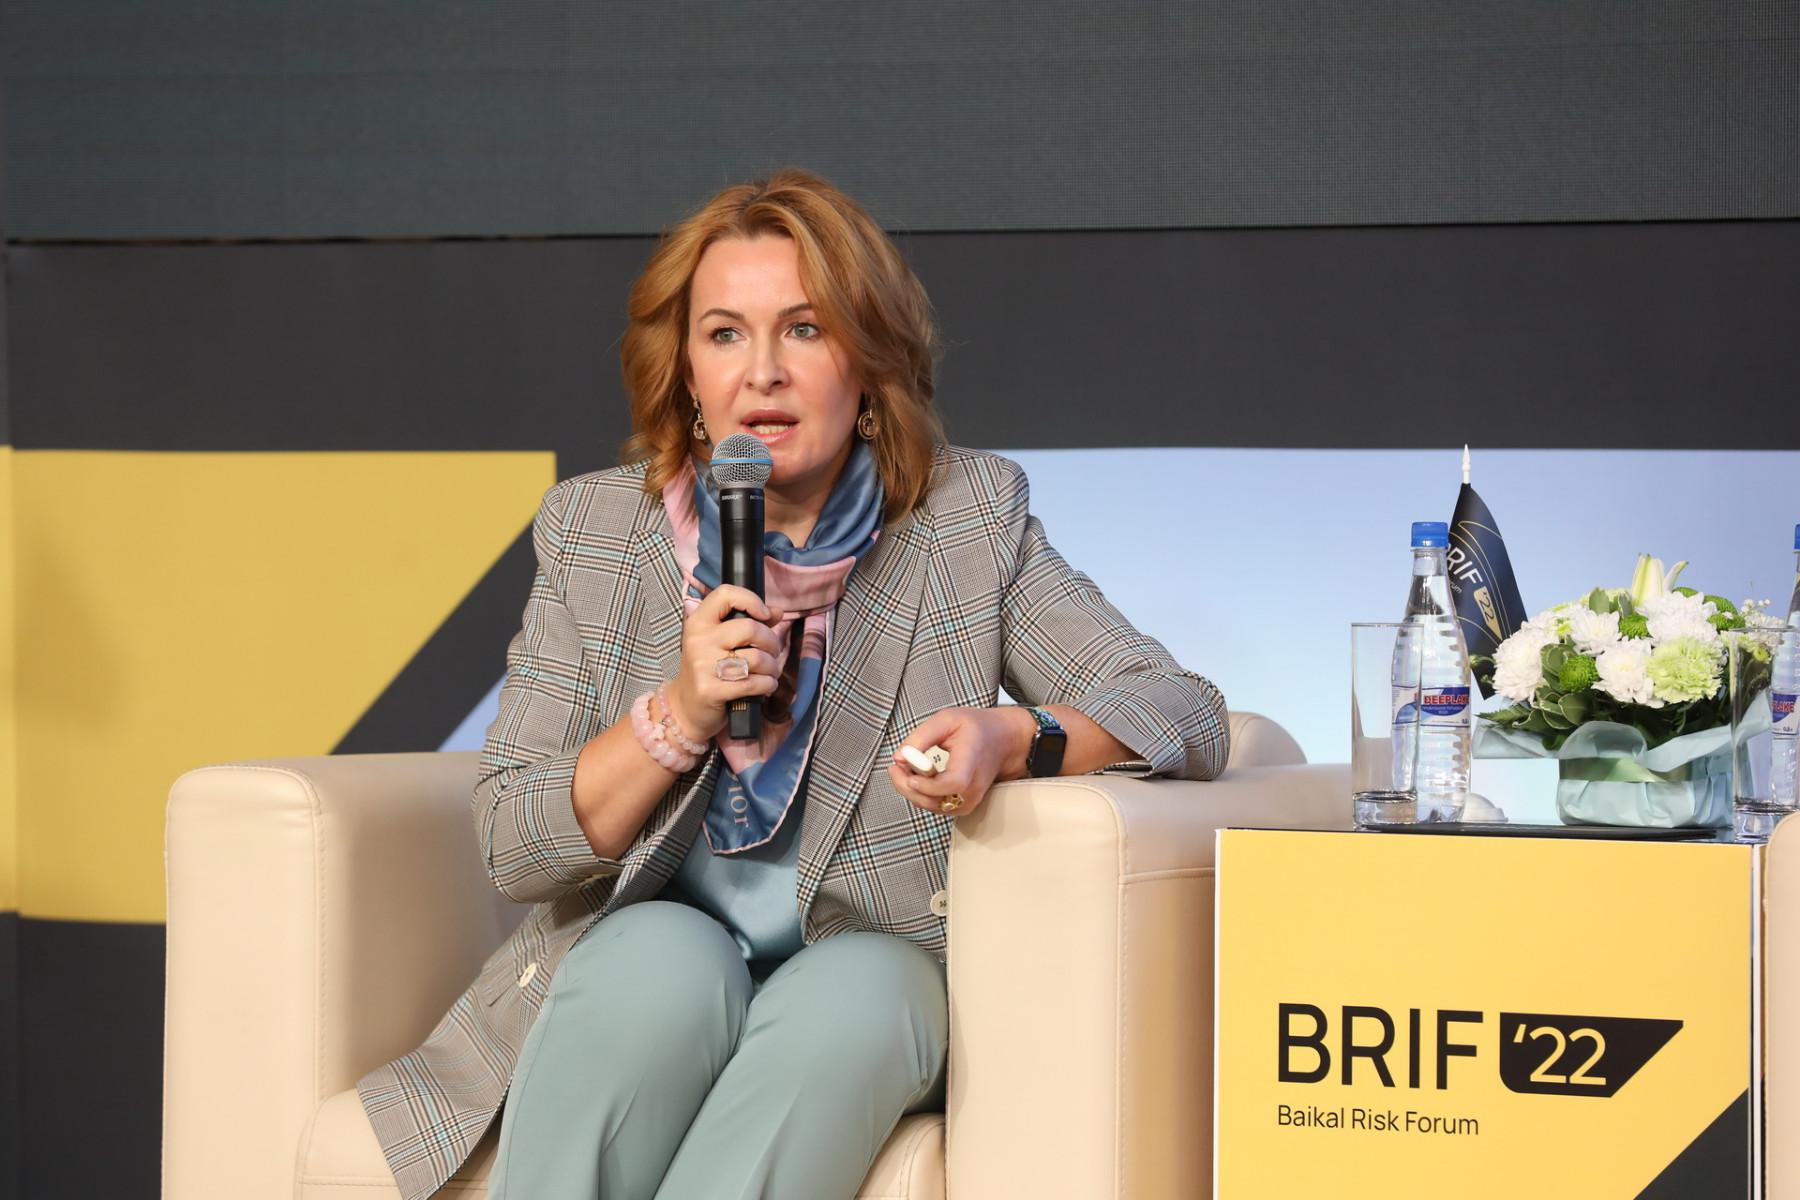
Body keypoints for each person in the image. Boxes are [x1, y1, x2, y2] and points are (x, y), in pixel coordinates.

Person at [356, 168, 1230, 1200]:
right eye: (725, 334)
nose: (762, 373)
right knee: (657, 965)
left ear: (868, 361)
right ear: (687, 373)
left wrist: (1013, 738)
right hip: (653, 951)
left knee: (856, 997)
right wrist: (679, 713)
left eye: (805, 330)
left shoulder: (964, 520)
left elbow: (1182, 709)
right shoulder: (596, 531)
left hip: (875, 958)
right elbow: (515, 841)